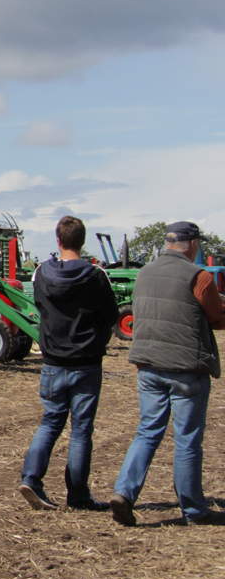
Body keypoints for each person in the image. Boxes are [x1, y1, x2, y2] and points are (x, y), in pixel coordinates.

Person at [110, 221, 225, 526]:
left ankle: (124, 492)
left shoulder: (144, 273)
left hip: (148, 365)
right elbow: (216, 316)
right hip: (186, 368)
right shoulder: (198, 276)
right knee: (187, 439)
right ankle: (194, 509)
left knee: (148, 431)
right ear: (193, 244)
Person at [17, 215, 118, 511]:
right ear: (82, 241)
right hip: (86, 362)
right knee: (81, 429)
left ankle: (31, 478)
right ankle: (78, 494)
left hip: (53, 361)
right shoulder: (95, 275)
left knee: (50, 421)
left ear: (58, 240)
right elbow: (111, 315)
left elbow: (40, 306)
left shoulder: (42, 273)